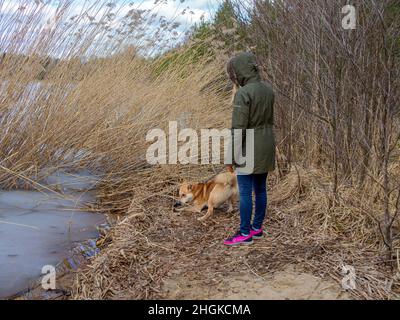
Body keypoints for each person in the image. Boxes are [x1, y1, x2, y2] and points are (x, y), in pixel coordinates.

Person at [224, 52, 276, 246]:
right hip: (267, 144)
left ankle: (244, 233)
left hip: (250, 146)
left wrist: (231, 157)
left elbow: (239, 129)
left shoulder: (243, 94)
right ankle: (257, 228)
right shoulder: (267, 90)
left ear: (239, 71)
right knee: (261, 190)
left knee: (245, 192)